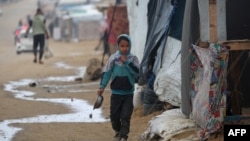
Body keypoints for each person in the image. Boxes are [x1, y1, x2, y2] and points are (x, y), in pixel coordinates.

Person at [97, 34, 139, 141]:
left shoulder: (133, 59)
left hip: (128, 93)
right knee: (114, 116)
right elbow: (107, 73)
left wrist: (127, 62)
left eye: (127, 46)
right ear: (118, 46)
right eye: (122, 46)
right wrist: (102, 86)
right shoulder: (113, 59)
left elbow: (137, 72)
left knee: (126, 116)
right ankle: (117, 130)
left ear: (130, 46)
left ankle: (124, 136)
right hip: (116, 93)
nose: (124, 48)